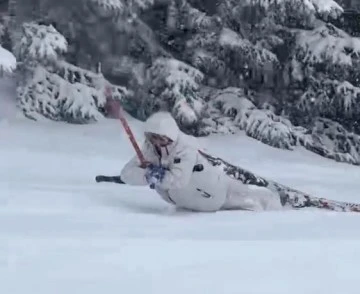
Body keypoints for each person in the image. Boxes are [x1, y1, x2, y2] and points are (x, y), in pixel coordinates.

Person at [120, 111, 283, 212]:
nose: (155, 142)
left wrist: (158, 176)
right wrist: (147, 175)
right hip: (187, 203)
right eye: (151, 137)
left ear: (169, 135)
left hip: (213, 192)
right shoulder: (149, 149)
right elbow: (126, 174)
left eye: (159, 138)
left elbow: (179, 180)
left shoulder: (185, 148)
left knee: (251, 200)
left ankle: (282, 204)